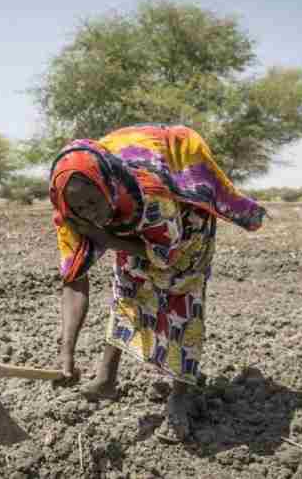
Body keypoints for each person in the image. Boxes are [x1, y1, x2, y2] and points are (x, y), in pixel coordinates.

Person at [49, 123, 266, 441]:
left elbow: (167, 253)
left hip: (182, 219)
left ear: (107, 185)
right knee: (127, 287)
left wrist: (106, 238)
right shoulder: (70, 213)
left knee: (181, 295)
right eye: (81, 208)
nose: (90, 214)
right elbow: (74, 280)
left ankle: (180, 394)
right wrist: (66, 349)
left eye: (93, 203)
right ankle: (106, 379)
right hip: (126, 218)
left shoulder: (149, 192)